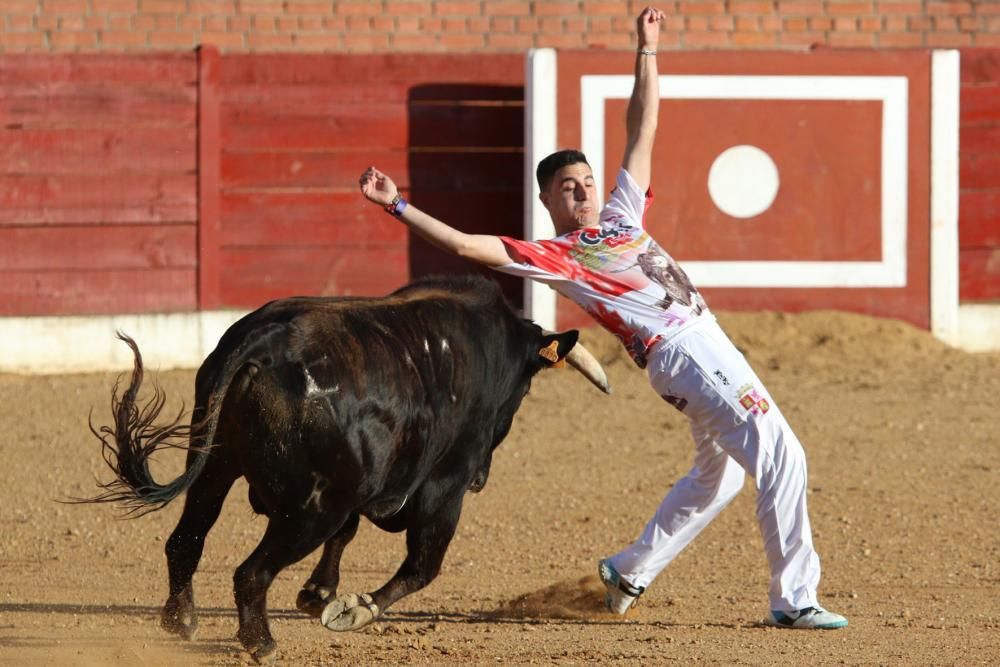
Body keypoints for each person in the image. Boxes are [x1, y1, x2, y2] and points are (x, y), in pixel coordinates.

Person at [357, 6, 848, 630]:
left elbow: (643, 128)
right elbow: (464, 245)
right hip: (685, 349)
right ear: (547, 200)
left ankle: (631, 570)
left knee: (717, 476)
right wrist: (398, 203)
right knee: (783, 452)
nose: (583, 191)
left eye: (587, 181)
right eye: (568, 186)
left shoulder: (622, 213)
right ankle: (794, 598)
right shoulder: (556, 256)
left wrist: (647, 50)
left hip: (699, 346)